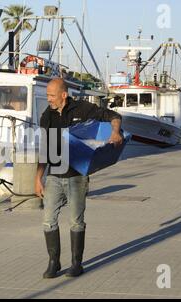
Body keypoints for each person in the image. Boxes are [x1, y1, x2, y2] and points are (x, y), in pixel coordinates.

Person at [35, 78, 123, 279]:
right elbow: (43, 150)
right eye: (47, 95)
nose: (48, 99)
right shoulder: (46, 116)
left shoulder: (82, 109)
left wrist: (115, 132)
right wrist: (38, 178)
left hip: (77, 176)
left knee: (76, 221)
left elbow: (113, 116)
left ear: (63, 95)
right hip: (54, 176)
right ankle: (53, 262)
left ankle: (76, 263)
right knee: (48, 220)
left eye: (51, 95)